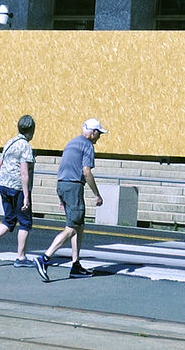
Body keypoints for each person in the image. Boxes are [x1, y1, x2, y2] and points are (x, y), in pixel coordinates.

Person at [33, 118, 105, 282]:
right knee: (72, 228)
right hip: (73, 186)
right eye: (99, 133)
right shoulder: (87, 146)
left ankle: (76, 265)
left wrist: (61, 196)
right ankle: (45, 257)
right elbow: (86, 172)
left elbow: (63, 167)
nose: (99, 137)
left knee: (79, 225)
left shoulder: (71, 143)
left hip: (63, 185)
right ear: (92, 132)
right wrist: (97, 194)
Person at [0, 114, 37, 266]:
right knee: (25, 222)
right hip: (17, 187)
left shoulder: (9, 142)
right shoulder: (25, 146)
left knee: (9, 220)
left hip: (3, 184)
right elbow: (24, 172)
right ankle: (21, 257)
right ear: (31, 130)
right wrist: (26, 196)